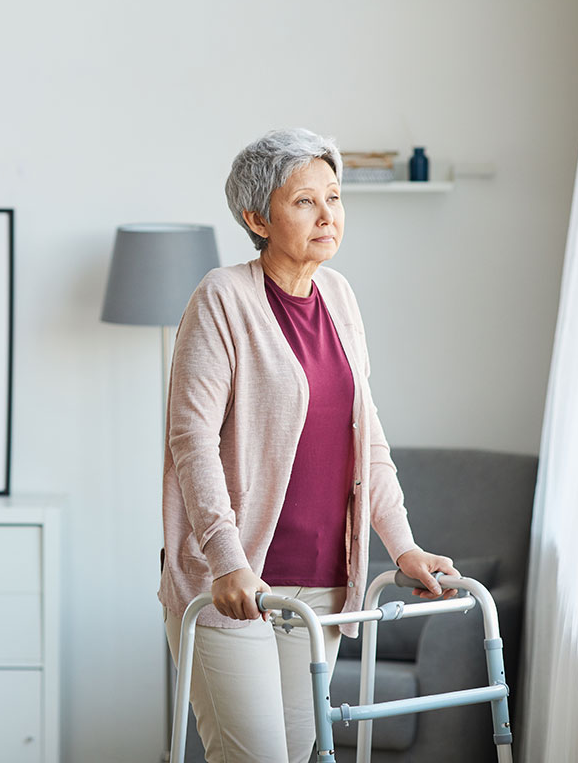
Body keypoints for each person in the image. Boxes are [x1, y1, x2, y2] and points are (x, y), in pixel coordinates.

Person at [159, 128, 459, 762]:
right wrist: (226, 561)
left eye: (335, 196)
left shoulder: (340, 296)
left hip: (322, 587)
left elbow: (366, 439)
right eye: (304, 202)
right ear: (256, 218)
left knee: (301, 757)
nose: (328, 215)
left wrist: (401, 546)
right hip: (237, 587)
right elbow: (192, 441)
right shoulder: (222, 297)